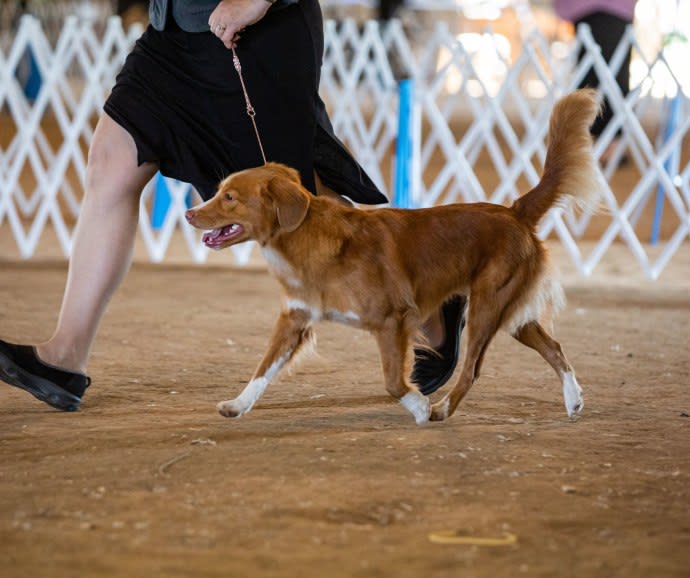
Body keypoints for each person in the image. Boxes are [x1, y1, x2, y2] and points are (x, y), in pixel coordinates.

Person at [0, 0, 464, 411]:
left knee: (300, 205)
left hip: (255, 31)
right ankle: (64, 358)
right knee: (111, 160)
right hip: (173, 33)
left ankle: (427, 303)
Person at [554, 0, 636, 165]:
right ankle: (603, 144)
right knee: (606, 78)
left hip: (590, 10)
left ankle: (600, 144)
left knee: (594, 78)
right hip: (610, 10)